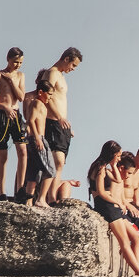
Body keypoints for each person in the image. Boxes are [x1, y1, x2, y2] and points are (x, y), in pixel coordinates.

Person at [88, 141, 139, 277]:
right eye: (117, 156)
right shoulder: (99, 168)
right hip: (106, 207)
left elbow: (118, 179)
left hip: (112, 207)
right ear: (111, 154)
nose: (119, 158)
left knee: (135, 237)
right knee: (124, 242)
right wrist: (119, 202)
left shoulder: (106, 167)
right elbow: (101, 192)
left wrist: (113, 165)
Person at [0, 47, 28, 200]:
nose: (17, 65)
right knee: (3, 155)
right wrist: (4, 107)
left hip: (16, 114)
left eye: (20, 62)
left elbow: (21, 97)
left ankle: (21, 188)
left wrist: (11, 81)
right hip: (2, 115)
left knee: (23, 151)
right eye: (15, 62)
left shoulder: (20, 76)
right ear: (8, 59)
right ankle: (2, 192)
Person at [44, 47, 82, 183]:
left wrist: (66, 126)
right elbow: (45, 98)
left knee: (60, 163)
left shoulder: (61, 76)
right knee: (56, 161)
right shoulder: (52, 73)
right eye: (73, 65)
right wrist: (59, 118)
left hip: (61, 124)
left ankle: (51, 197)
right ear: (66, 59)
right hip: (52, 121)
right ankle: (44, 196)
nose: (73, 69)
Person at [20, 80, 56, 207]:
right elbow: (30, 120)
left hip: (34, 139)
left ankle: (28, 201)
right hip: (37, 138)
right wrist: (37, 138)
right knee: (51, 170)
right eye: (49, 94)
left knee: (33, 172)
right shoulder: (37, 103)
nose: (50, 97)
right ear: (41, 92)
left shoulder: (41, 104)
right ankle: (41, 199)